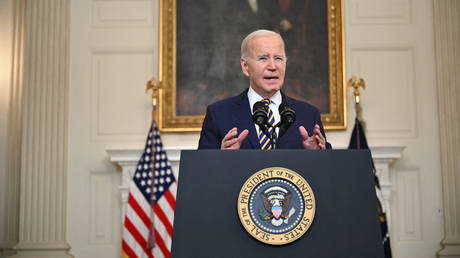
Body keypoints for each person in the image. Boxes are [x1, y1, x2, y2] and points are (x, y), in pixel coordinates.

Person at [198, 29, 331, 150]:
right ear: (245, 67)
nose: (273, 66)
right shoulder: (219, 114)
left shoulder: (308, 115)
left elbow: (329, 170)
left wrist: (317, 155)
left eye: (278, 58)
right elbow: (203, 170)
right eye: (263, 58)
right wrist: (221, 158)